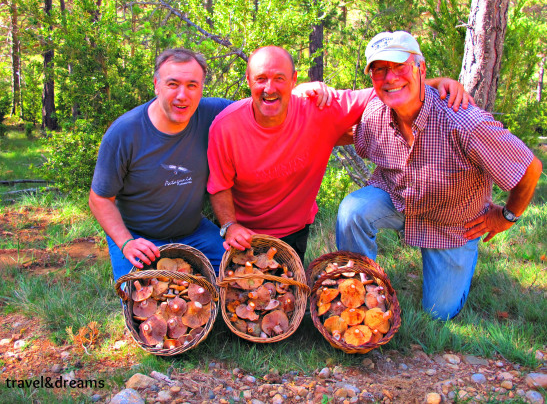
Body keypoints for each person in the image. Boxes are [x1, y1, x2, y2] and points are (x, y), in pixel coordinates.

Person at [336, 31, 543, 320]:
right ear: (372, 78)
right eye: (380, 69)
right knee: (352, 211)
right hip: (398, 201)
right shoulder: (375, 113)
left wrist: (507, 215)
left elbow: (530, 168)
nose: (390, 77)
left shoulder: (465, 124)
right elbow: (343, 132)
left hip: (453, 223)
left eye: (399, 66)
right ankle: (358, 289)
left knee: (438, 313)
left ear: (421, 68)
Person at [207, 45, 471, 263]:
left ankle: (364, 279)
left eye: (279, 78)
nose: (270, 88)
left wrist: (436, 83)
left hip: (293, 232)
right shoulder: (226, 127)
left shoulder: (318, 108)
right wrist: (230, 226)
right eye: (261, 79)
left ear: (294, 79)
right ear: (248, 80)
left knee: (285, 303)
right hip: (243, 234)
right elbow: (219, 185)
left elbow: (384, 92)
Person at [89, 48, 335, 281]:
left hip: (194, 231)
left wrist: (297, 92)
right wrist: (125, 242)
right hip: (138, 235)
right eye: (172, 84)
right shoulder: (125, 133)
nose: (182, 95)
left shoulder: (214, 114)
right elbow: (99, 199)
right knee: (141, 299)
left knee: (239, 276)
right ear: (156, 85)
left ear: (201, 88)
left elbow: (262, 104)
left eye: (192, 85)